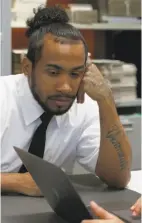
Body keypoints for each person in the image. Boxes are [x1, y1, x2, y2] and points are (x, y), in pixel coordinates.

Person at [1, 5, 132, 196]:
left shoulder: (83, 107)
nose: (65, 87)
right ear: (27, 68)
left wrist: (106, 100)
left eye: (75, 73)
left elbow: (118, 178)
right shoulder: (3, 97)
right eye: (53, 73)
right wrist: (17, 182)